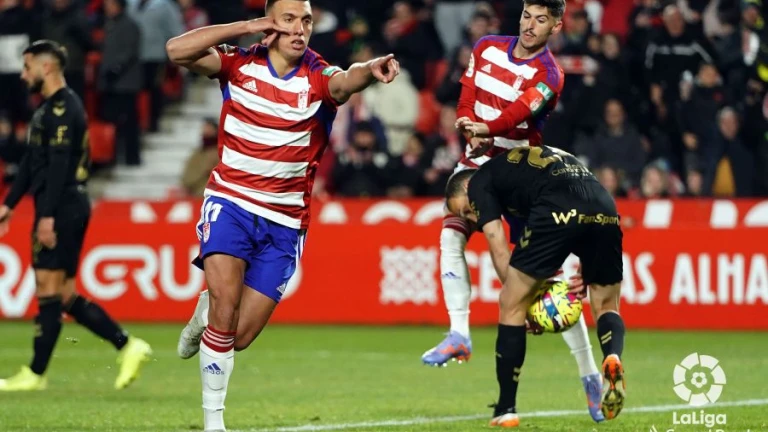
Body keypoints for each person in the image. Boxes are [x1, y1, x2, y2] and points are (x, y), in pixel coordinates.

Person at [164, 1, 400, 430]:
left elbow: (347, 80)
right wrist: (245, 25)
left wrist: (372, 68)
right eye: (288, 19)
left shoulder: (318, 75)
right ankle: (214, 424)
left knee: (238, 336)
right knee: (225, 308)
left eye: (305, 20)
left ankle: (204, 314)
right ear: (270, 23)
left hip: (284, 221)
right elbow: (176, 51)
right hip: (231, 202)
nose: (299, 29)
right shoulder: (239, 65)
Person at [422, 0, 605, 423]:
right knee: (451, 232)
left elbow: (517, 114)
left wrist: (486, 129)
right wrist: (467, 124)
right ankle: (459, 332)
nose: (530, 25)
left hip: (522, 174)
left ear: (556, 26)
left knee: (546, 283)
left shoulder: (551, 75)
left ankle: (589, 374)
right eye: (526, 15)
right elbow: (466, 97)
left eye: (541, 20)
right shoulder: (486, 46)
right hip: (475, 163)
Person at [0, 40, 152, 392]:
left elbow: (58, 167)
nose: (23, 75)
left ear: (46, 67)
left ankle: (35, 373)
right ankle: (128, 345)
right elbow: (31, 162)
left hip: (63, 205)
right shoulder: (47, 109)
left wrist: (47, 216)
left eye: (27, 67)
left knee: (48, 287)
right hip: (62, 204)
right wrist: (9, 204)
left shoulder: (64, 109)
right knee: (65, 294)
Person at [444, 145, 627, 427]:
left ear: (467, 187)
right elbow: (577, 205)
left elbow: (498, 246)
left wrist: (523, 302)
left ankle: (506, 409)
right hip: (603, 205)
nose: (472, 220)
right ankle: (612, 356)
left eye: (467, 210)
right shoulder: (520, 171)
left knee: (510, 304)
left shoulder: (479, 182)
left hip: (559, 204)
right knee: (606, 304)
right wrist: (587, 261)